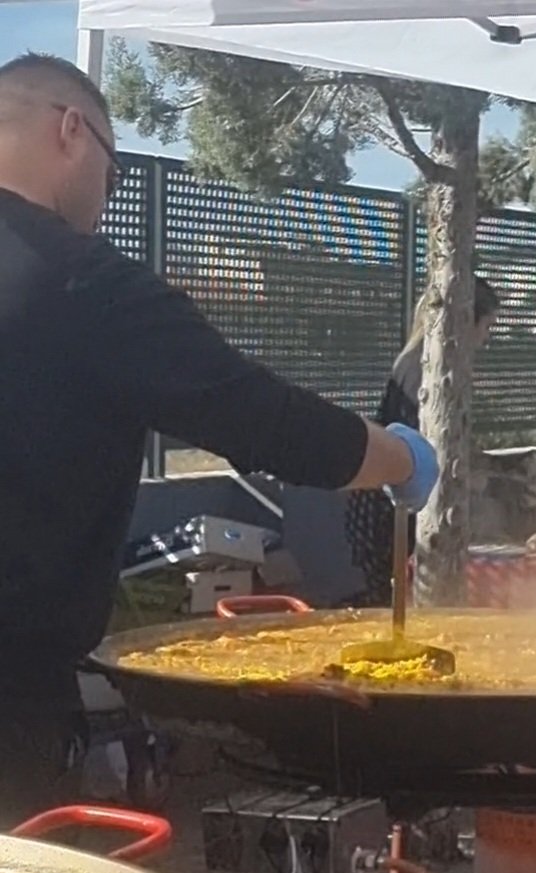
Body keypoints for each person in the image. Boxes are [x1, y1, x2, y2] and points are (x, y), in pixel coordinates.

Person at [0, 53, 439, 823]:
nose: (106, 197)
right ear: (71, 130)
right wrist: (400, 457)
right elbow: (259, 419)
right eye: (114, 173)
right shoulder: (82, 282)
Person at [344, 278, 500, 606]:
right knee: (400, 607)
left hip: (383, 502)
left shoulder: (416, 360)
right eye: (487, 326)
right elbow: (432, 444)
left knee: (390, 603)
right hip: (393, 509)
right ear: (465, 321)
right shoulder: (430, 372)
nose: (486, 339)